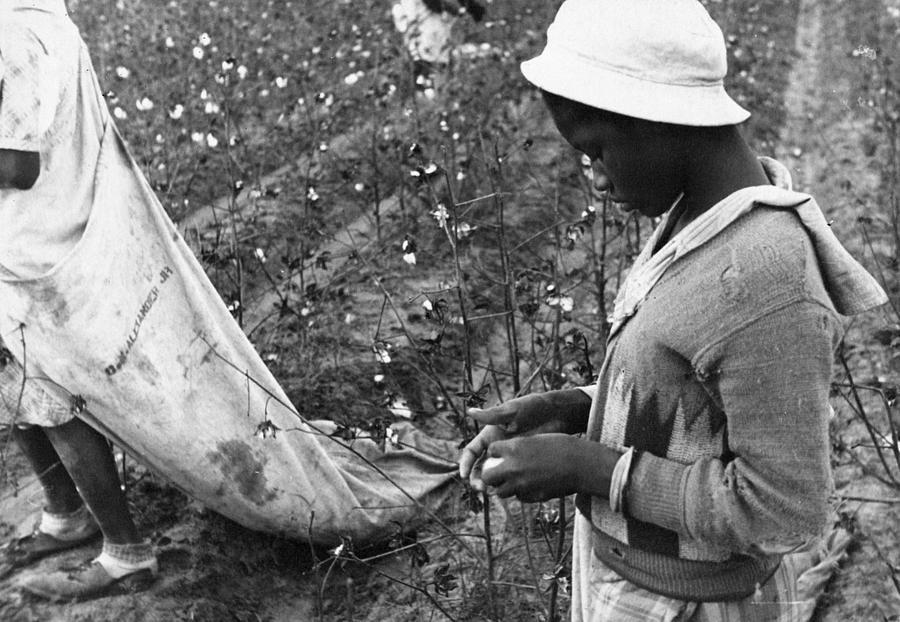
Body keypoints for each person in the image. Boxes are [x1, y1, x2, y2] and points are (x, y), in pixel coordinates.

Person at [458, 0, 887, 620]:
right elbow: (700, 393)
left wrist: (592, 467)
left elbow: (783, 508)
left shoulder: (763, 276)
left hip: (690, 606)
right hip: (646, 581)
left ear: (656, 119)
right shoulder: (701, 222)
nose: (596, 180)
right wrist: (579, 409)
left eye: (596, 150)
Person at [0, 0, 157, 601]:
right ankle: (65, 514)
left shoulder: (13, 32)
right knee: (15, 388)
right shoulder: (47, 17)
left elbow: (16, 164)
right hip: (42, 232)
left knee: (50, 401)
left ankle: (126, 552)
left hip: (28, 248)